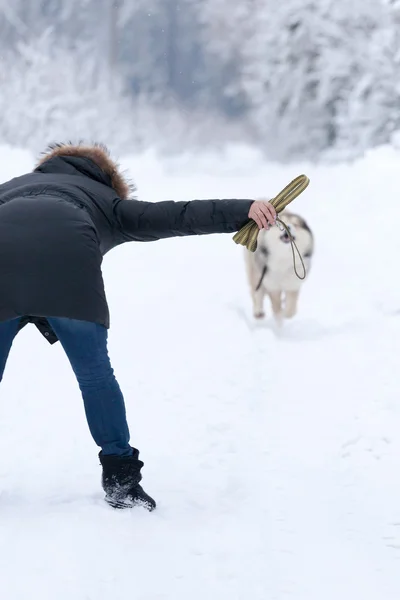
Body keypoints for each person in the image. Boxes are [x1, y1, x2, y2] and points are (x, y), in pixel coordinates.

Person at [0, 142, 277, 511]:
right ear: (106, 177)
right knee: (95, 377)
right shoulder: (105, 199)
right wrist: (242, 211)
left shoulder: (11, 188)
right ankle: (121, 481)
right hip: (68, 261)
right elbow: (177, 215)